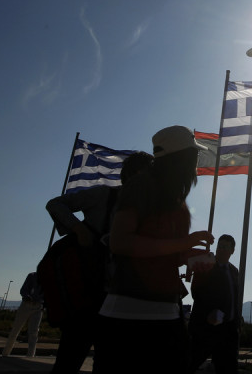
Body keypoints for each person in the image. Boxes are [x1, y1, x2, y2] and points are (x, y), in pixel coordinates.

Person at [93, 126, 214, 374]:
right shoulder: (140, 185)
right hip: (126, 320)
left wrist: (188, 257)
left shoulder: (177, 198)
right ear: (180, 157)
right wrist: (183, 244)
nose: (197, 162)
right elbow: (120, 242)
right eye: (194, 155)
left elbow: (161, 252)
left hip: (168, 314)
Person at [44, 151, 153, 374]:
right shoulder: (104, 195)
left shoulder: (147, 212)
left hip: (120, 300)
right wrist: (78, 228)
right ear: (134, 174)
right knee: (68, 361)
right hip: (87, 296)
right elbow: (56, 204)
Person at [188, 234, 240, 374]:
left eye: (225, 247)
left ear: (232, 251)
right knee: (191, 362)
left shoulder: (234, 271)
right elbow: (196, 291)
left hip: (228, 330)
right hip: (206, 327)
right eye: (219, 246)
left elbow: (234, 298)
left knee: (228, 367)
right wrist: (209, 312)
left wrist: (236, 321)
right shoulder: (207, 265)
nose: (221, 250)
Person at [2, 272, 43, 357]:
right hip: (26, 305)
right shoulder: (32, 276)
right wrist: (27, 296)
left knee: (34, 332)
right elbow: (23, 289)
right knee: (16, 329)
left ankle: (30, 355)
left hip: (38, 307)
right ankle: (6, 353)